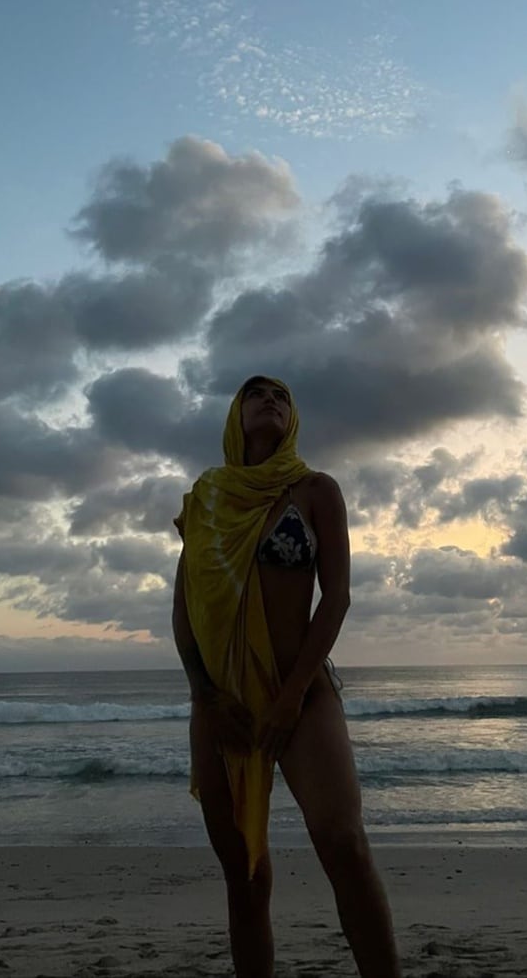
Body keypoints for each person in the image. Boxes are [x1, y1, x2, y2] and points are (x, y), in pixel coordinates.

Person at [172, 374, 402, 978]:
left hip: (299, 690)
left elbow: (337, 599)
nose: (269, 400)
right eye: (255, 393)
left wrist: (292, 693)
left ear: (293, 418)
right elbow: (184, 606)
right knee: (245, 874)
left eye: (282, 396)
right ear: (234, 416)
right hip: (222, 702)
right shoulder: (205, 500)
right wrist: (204, 695)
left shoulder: (316, 491)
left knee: (344, 845)